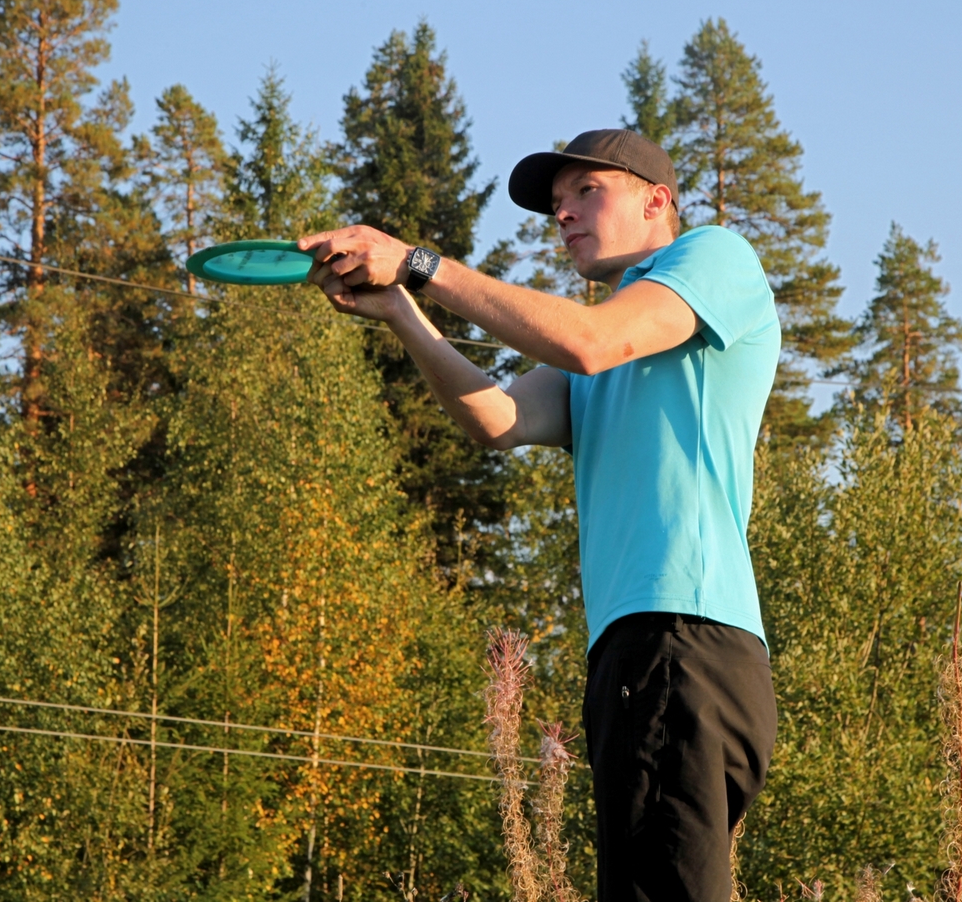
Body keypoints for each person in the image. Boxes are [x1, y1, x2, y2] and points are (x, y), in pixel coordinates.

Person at [299, 128, 780, 902]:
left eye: (585, 191)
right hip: (639, 650)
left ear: (658, 201)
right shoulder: (604, 339)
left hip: (680, 636)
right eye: (554, 205)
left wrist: (423, 265)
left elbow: (590, 343)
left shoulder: (711, 257)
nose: (562, 214)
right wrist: (401, 311)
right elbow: (497, 419)